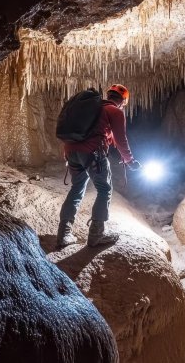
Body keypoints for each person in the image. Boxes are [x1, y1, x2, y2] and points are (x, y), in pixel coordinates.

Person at [57, 84, 142, 248]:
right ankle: (97, 235)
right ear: (124, 100)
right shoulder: (115, 111)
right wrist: (130, 161)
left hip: (71, 150)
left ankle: (63, 235)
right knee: (104, 190)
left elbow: (108, 136)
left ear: (108, 95)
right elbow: (121, 140)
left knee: (76, 189)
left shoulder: (94, 108)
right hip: (92, 153)